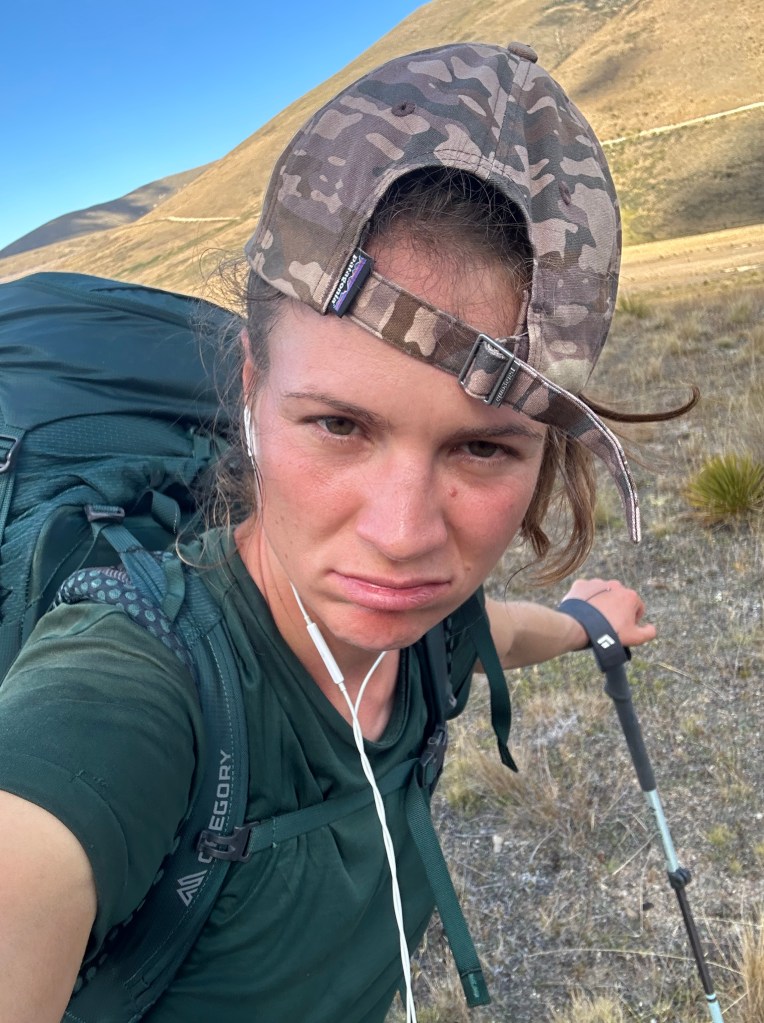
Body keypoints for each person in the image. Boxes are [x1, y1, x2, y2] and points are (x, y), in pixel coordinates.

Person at [0, 40, 686, 1023]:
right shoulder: (130, 685)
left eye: (482, 448)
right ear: (251, 390)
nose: (403, 538)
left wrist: (583, 622)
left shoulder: (423, 627)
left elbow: (483, 631)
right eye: (339, 425)